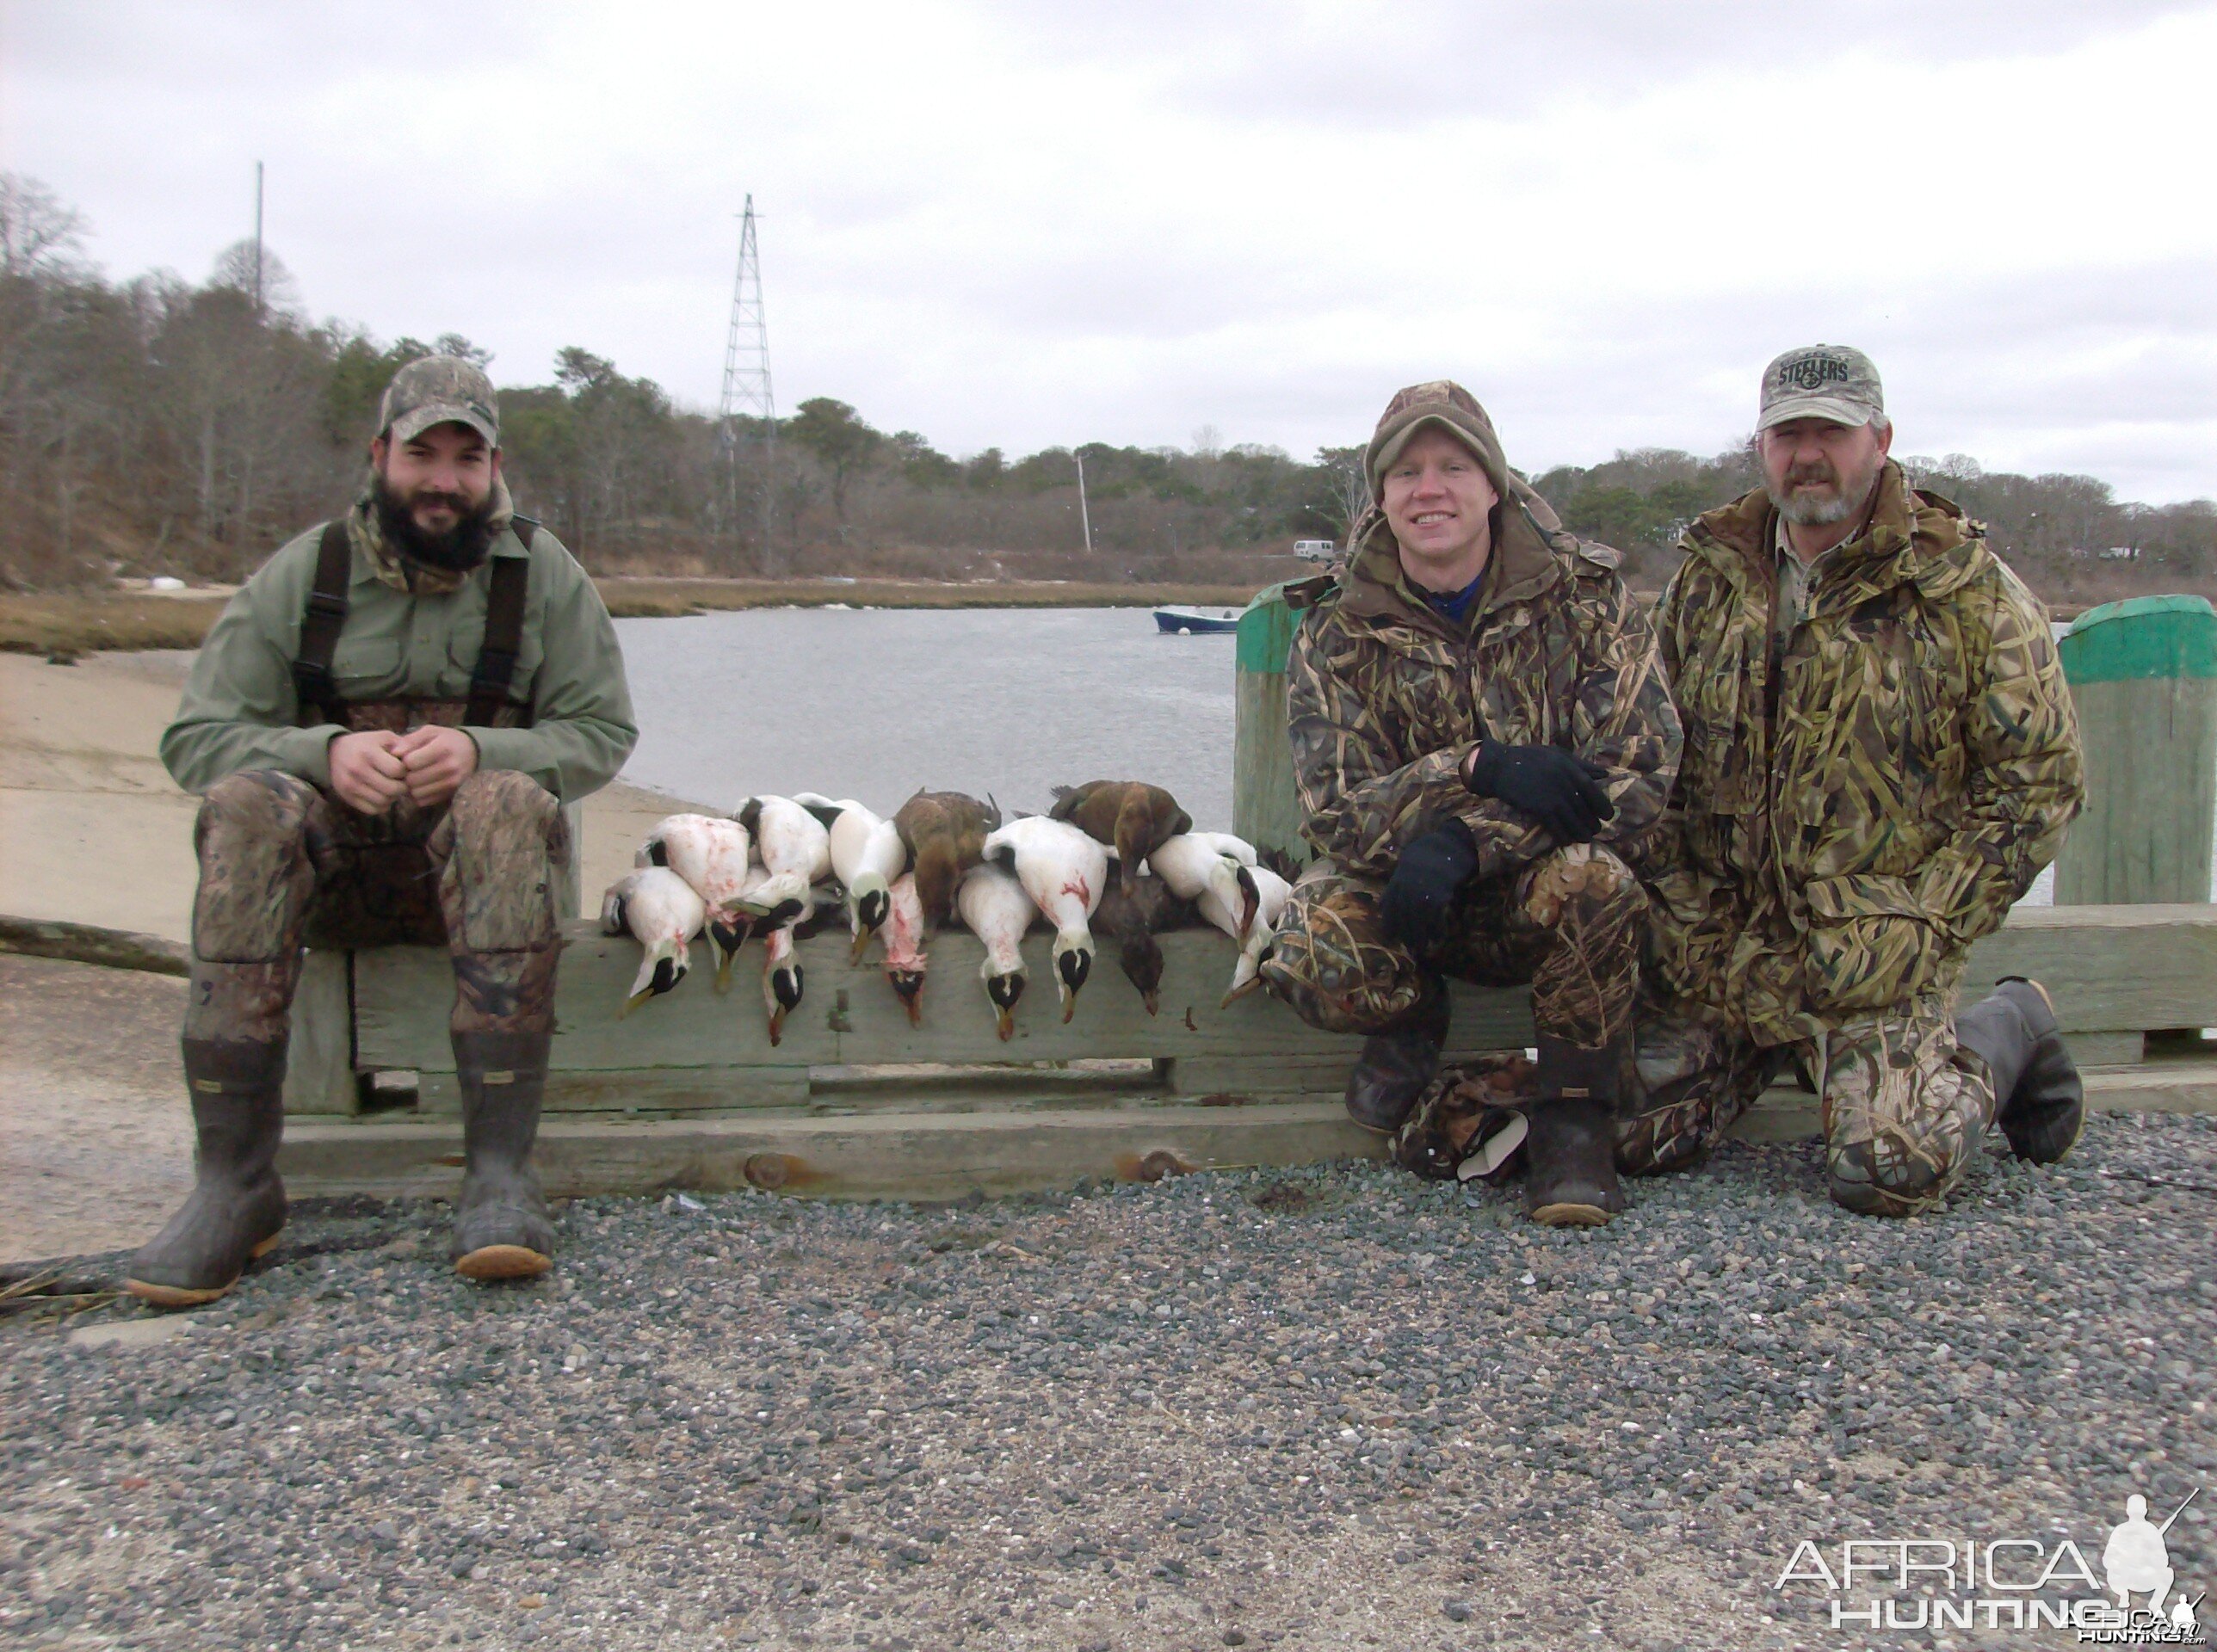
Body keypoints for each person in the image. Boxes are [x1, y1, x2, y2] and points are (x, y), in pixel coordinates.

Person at [127, 354, 638, 1304]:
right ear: (378, 455)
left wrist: (483, 751)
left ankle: (497, 1175)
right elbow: (196, 737)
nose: (443, 479)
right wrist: (323, 754)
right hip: (333, 886)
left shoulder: (548, 574)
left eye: (466, 457)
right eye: (421, 453)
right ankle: (234, 1185)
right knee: (244, 803)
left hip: (496, 895)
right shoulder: (304, 571)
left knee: (502, 798)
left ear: (493, 466)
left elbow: (603, 732)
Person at [1621, 344, 2085, 1215]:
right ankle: (1767, 1054)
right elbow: (1649, 766)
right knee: (1625, 1137)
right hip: (1727, 955)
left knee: (1890, 1168)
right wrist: (1683, 911)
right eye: (1786, 433)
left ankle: (2008, 1027)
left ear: (1878, 438)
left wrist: (1925, 922)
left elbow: (2035, 785)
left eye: (1828, 432)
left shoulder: (1966, 591)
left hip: (1872, 958)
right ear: (1759, 447)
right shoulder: (1704, 581)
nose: (1806, 454)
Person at [1260, 381, 1682, 1226]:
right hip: (1406, 897)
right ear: (1380, 495)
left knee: (1594, 881)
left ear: (1492, 483)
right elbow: (1335, 811)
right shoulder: (1332, 625)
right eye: (1406, 471)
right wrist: (1475, 767)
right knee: (1309, 951)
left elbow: (1637, 773)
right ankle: (1417, 1014)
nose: (1429, 490)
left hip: (1543, 895)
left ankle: (1572, 1119)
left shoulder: (1587, 599)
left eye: (1452, 465)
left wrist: (1470, 841)